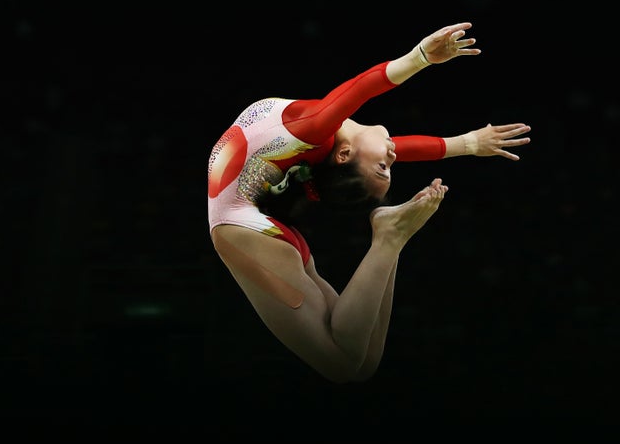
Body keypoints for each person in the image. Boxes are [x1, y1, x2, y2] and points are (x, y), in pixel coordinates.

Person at [206, 21, 531, 383]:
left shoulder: (312, 130)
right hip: (255, 229)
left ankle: (390, 239)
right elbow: (394, 148)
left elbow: (362, 88)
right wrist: (467, 143)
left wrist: (420, 57)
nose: (392, 157)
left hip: (242, 228)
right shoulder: (322, 145)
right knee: (357, 365)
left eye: (382, 166)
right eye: (389, 167)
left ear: (344, 156)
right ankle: (391, 240)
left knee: (348, 365)